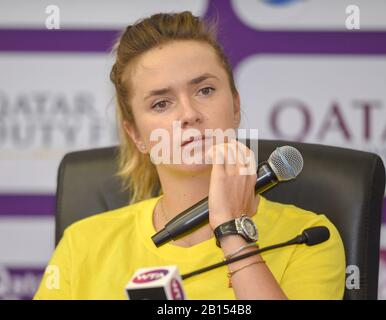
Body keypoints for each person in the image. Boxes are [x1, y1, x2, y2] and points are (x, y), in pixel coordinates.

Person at [34, 11, 345, 300]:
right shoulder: (82, 244)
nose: (189, 114)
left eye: (205, 90)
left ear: (235, 106)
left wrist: (233, 231)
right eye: (161, 103)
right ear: (137, 135)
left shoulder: (309, 237)